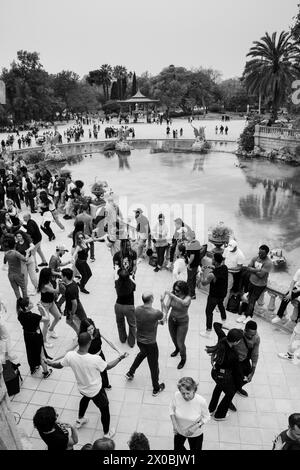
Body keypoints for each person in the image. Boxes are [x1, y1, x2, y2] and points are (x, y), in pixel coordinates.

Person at [46, 332, 128, 437]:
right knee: (105, 410)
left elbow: (59, 365)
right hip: (96, 390)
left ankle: (80, 419)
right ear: (89, 343)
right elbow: (108, 366)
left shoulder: (70, 355)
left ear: (78, 342)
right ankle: (107, 434)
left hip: (82, 388)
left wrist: (50, 363)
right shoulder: (95, 359)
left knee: (85, 398)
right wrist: (120, 358)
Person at [125, 291, 165, 396]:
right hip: (151, 344)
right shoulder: (155, 312)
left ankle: (130, 372)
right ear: (152, 299)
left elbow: (145, 320)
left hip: (139, 341)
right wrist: (162, 302)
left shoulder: (137, 309)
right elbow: (164, 318)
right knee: (154, 365)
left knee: (142, 354)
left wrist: (156, 323)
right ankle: (156, 388)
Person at [213, 320, 260, 399]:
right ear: (245, 331)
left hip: (244, 360)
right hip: (232, 361)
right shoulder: (237, 335)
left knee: (246, 377)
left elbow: (255, 354)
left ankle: (237, 388)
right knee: (228, 382)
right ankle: (228, 397)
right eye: (250, 335)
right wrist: (229, 328)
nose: (252, 337)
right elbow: (217, 326)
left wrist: (253, 371)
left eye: (254, 334)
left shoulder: (256, 338)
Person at [207, 328, 244, 421]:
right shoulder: (233, 355)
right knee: (230, 393)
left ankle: (211, 409)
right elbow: (236, 371)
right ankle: (220, 414)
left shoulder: (222, 341)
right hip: (224, 376)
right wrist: (240, 382)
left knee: (218, 388)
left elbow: (216, 326)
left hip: (215, 372)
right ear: (235, 342)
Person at [169, 377, 210, 451]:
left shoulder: (201, 401)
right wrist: (174, 424)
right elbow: (171, 408)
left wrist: (195, 427)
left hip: (195, 433)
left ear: (194, 390)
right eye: (183, 393)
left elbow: (207, 417)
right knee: (177, 448)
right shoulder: (176, 395)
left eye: (188, 393)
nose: (185, 396)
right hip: (179, 431)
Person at [17, 297, 52, 377]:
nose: (32, 303)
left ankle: (33, 368)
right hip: (36, 336)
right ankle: (46, 372)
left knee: (30, 351)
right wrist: (43, 308)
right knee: (41, 353)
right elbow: (47, 318)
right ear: (26, 307)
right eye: (30, 303)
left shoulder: (20, 315)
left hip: (27, 335)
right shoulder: (33, 316)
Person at [238, 245, 272, 324]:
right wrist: (258, 270)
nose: (260, 255)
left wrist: (253, 270)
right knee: (248, 298)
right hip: (251, 281)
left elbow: (261, 275)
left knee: (252, 300)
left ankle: (249, 316)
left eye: (262, 254)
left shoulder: (268, 263)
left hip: (260, 285)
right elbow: (248, 267)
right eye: (259, 253)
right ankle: (245, 315)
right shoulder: (255, 258)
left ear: (266, 253)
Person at [78, 318, 114, 389]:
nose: (91, 331)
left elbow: (109, 341)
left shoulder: (97, 332)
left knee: (103, 370)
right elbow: (69, 350)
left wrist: (119, 351)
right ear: (85, 330)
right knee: (93, 374)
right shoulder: (83, 337)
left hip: (100, 355)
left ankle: (105, 384)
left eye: (92, 328)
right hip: (90, 359)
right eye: (89, 330)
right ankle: (96, 387)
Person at [163, 281, 191, 369]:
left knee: (180, 342)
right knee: (173, 338)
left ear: (183, 290)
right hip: (172, 320)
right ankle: (177, 349)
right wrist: (165, 315)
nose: (175, 292)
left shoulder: (188, 298)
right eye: (174, 290)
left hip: (182, 322)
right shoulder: (173, 295)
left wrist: (173, 296)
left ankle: (183, 358)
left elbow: (184, 303)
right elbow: (167, 307)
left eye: (178, 291)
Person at [199, 253, 228, 338]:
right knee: (221, 305)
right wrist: (211, 267)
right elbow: (219, 271)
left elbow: (204, 283)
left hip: (214, 296)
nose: (212, 260)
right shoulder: (224, 268)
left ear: (215, 261)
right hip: (222, 294)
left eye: (213, 259)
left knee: (208, 312)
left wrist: (201, 273)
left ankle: (208, 332)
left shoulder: (212, 275)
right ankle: (224, 322)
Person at [37, 268, 62, 341]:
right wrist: (58, 282)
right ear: (47, 276)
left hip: (51, 303)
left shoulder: (46, 280)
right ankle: (44, 340)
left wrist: (58, 274)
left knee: (58, 317)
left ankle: (51, 330)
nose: (52, 275)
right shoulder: (45, 286)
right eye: (50, 275)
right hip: (45, 305)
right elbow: (56, 291)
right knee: (46, 323)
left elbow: (52, 271)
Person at [114, 269, 136, 347]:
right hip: (129, 307)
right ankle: (131, 342)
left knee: (120, 323)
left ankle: (122, 339)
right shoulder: (131, 284)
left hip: (118, 306)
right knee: (132, 325)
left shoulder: (116, 283)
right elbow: (134, 286)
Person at [61, 268, 87, 334]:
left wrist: (72, 313)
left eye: (62, 275)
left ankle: (79, 334)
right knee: (69, 321)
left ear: (65, 277)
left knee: (79, 323)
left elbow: (74, 303)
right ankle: (78, 333)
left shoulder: (70, 290)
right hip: (73, 306)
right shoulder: (73, 282)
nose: (61, 276)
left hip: (74, 309)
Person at [223, 239, 245, 309]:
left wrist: (228, 269)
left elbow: (239, 267)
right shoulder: (226, 250)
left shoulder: (240, 254)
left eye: (232, 249)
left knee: (227, 289)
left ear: (236, 247)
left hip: (233, 274)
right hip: (225, 271)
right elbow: (223, 259)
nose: (230, 250)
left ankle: (223, 306)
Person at [186, 231, 202, 299]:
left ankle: (191, 294)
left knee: (190, 280)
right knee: (193, 279)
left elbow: (192, 256)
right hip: (196, 264)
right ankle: (192, 293)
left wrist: (189, 264)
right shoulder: (197, 242)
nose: (187, 237)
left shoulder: (192, 245)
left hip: (192, 265)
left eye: (188, 236)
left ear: (191, 237)